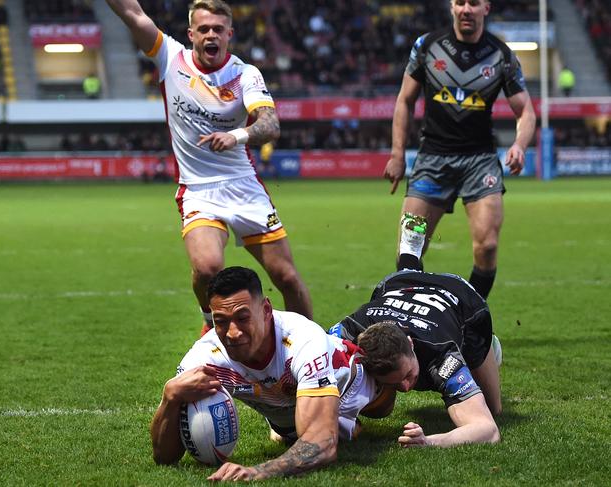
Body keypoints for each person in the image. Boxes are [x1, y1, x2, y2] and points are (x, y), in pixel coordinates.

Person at [106, 0, 312, 332]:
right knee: (207, 269)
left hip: (243, 185)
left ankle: (308, 346)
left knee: (286, 277)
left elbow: (271, 125)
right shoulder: (171, 59)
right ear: (191, 34)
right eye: (203, 29)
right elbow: (133, 14)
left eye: (218, 29)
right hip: (198, 190)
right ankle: (209, 320)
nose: (211, 35)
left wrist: (237, 135)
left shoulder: (245, 74)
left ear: (229, 34)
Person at [151, 266, 393, 481]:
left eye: (242, 318)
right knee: (294, 436)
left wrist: (258, 471)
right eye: (221, 321)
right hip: (290, 412)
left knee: (382, 408)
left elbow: (323, 445)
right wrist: (170, 398)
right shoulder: (205, 357)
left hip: (357, 383)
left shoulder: (302, 339)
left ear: (266, 309)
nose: (232, 333)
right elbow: (164, 458)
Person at [383, 0, 536, 300]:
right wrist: (397, 153)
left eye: (474, 3)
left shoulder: (501, 56)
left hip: (480, 162)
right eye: (460, 2)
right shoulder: (427, 46)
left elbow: (526, 111)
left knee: (488, 245)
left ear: (486, 8)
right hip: (432, 159)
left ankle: (468, 318)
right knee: (409, 243)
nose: (466, 9)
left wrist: (519, 145)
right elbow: (404, 100)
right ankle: (414, 317)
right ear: (452, 7)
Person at [328, 214, 502, 447]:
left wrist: (428, 441)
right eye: (398, 382)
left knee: (494, 409)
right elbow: (304, 359)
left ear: (410, 344)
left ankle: (490, 348)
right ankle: (410, 254)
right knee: (382, 406)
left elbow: (488, 430)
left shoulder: (441, 355)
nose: (406, 388)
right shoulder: (353, 327)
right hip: (400, 284)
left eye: (408, 375)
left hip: (462, 298)